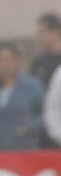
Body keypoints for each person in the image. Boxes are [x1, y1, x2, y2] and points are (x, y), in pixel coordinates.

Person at [0, 43, 44, 151]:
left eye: (8, 60)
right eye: (0, 61)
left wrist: (28, 128)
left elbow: (44, 114)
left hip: (24, 148)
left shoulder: (32, 87)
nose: (4, 65)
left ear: (17, 60)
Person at [29, 12, 61, 147]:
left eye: (43, 32)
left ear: (55, 32)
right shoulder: (38, 62)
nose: (39, 37)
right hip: (43, 126)